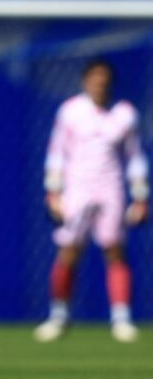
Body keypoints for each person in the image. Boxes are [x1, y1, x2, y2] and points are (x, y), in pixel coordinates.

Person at [34, 60, 148, 343]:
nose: (100, 84)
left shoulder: (125, 114)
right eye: (95, 79)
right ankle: (59, 316)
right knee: (69, 250)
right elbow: (57, 153)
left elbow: (135, 158)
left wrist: (141, 196)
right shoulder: (70, 112)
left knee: (114, 249)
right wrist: (54, 192)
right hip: (77, 189)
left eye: (105, 80)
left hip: (111, 189)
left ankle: (121, 319)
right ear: (86, 82)